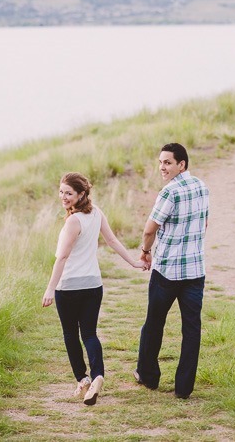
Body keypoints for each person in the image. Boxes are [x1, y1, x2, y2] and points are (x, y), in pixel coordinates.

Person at [42, 172, 146, 406]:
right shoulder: (96, 213)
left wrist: (50, 289)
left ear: (81, 194)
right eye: (61, 192)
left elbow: (62, 257)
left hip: (68, 287)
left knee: (71, 334)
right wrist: (133, 262)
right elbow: (112, 241)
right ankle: (98, 375)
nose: (63, 197)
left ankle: (83, 379)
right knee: (89, 333)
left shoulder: (73, 222)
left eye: (69, 193)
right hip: (93, 285)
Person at [135, 143, 209, 399]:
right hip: (195, 271)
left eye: (168, 162)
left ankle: (148, 376)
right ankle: (184, 388)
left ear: (182, 165)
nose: (162, 167)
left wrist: (145, 251)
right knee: (191, 329)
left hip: (166, 271)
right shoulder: (202, 186)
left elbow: (149, 229)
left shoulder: (169, 192)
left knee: (154, 324)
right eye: (160, 162)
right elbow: (204, 223)